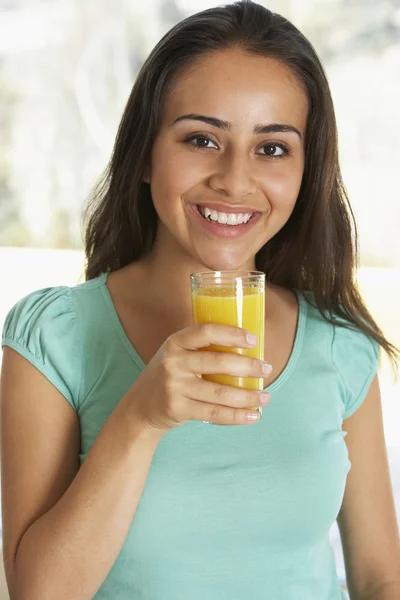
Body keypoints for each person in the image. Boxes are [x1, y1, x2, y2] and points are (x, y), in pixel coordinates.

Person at [1, 1, 399, 598]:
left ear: (305, 171)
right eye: (202, 139)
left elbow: (379, 576)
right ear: (144, 153)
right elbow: (41, 592)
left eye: (272, 148)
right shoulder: (54, 336)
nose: (235, 180)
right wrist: (140, 419)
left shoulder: (340, 344)